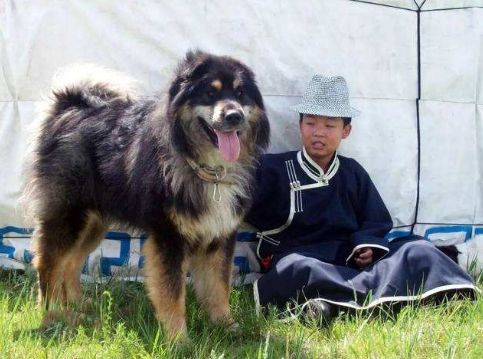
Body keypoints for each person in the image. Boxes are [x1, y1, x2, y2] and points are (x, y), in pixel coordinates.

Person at [245, 75, 478, 319]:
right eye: (311, 123)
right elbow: (237, 201)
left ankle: (331, 304)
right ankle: (379, 299)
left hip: (348, 258)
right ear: (300, 125)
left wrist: (366, 245)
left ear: (346, 130)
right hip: (303, 256)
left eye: (329, 125)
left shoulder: (352, 171)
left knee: (417, 248)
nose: (319, 133)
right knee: (294, 269)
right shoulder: (272, 168)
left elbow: (375, 220)